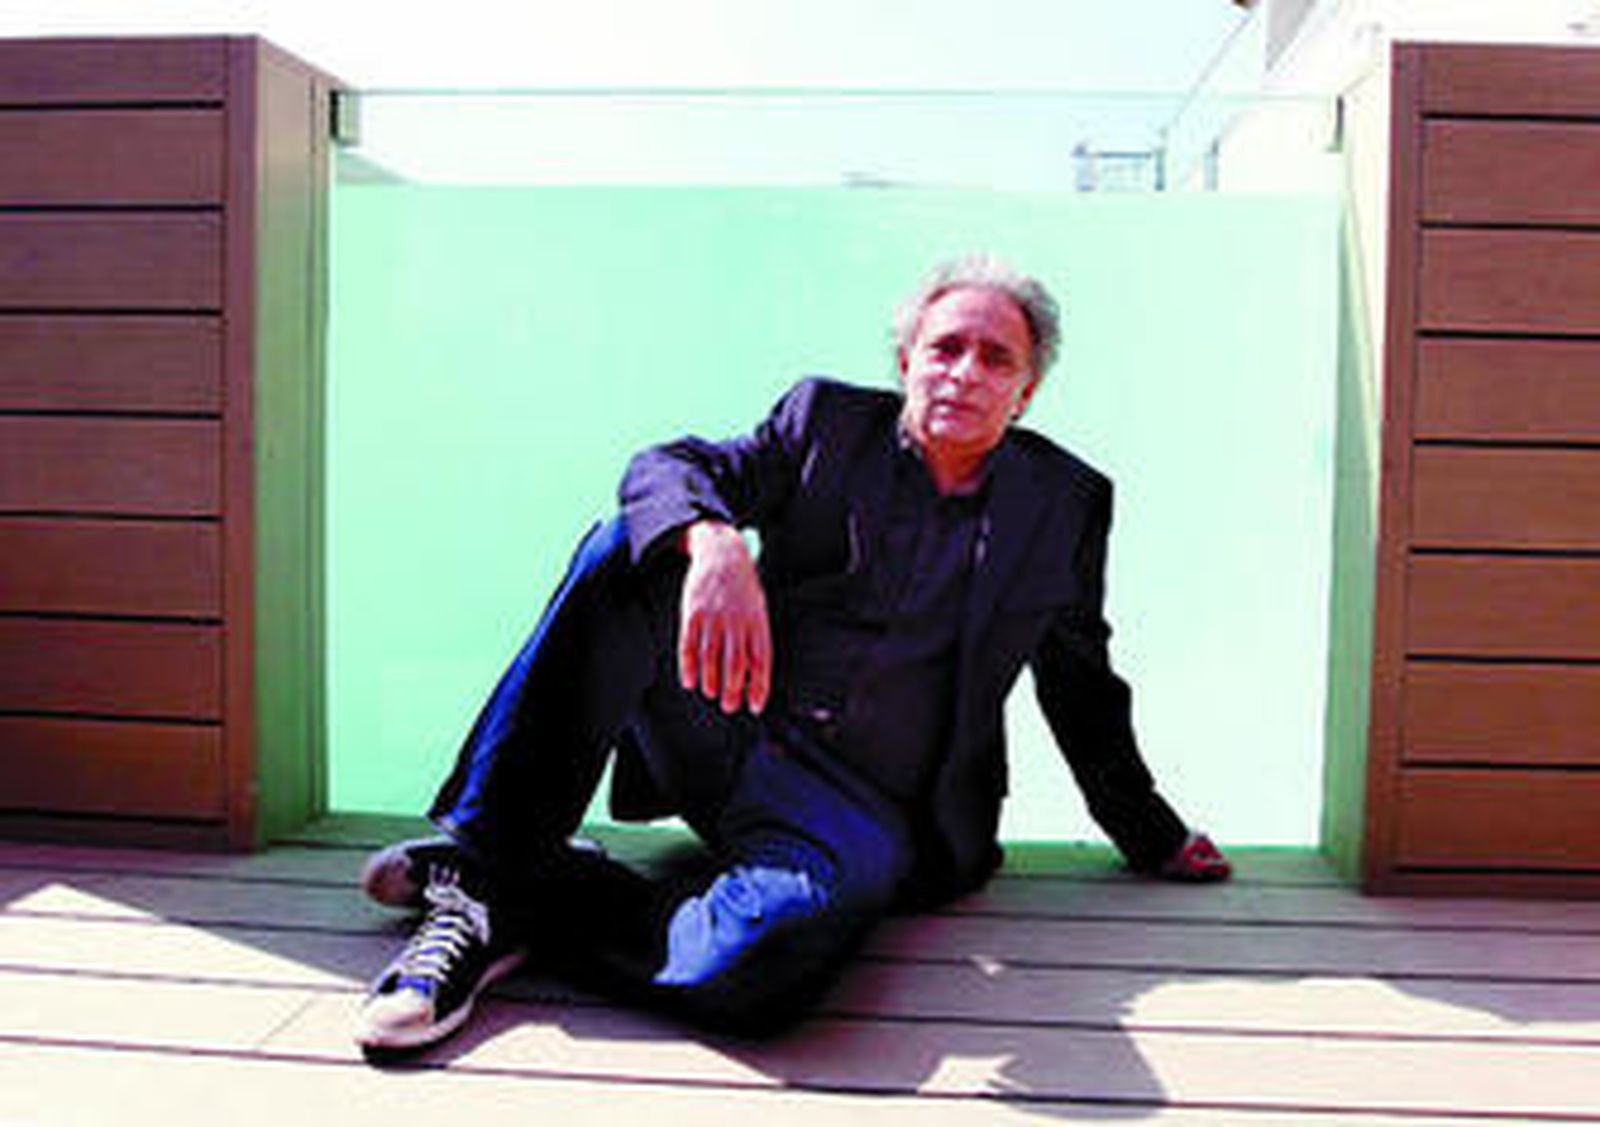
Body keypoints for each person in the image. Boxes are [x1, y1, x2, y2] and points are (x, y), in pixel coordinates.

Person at [354, 255, 1230, 1055]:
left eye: (995, 358)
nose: (964, 372)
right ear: (907, 362)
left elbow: (1079, 681)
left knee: (754, 970)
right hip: (730, 731)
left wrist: (1149, 832)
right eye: (945, 348)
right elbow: (667, 465)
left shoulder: (1065, 502)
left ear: (1025, 392)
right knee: (627, 547)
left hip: (864, 815)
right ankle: (483, 867)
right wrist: (711, 538)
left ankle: (527, 888)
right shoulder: (823, 425)